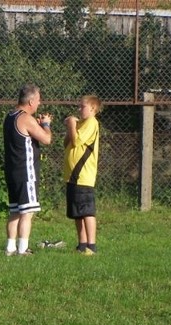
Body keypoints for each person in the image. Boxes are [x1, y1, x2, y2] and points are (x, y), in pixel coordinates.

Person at [3, 83, 53, 256]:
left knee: (15, 211)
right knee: (27, 212)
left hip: (12, 171)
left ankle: (10, 247)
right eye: (38, 100)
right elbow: (46, 139)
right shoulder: (26, 118)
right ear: (31, 101)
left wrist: (36, 125)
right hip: (26, 171)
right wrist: (45, 124)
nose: (40, 103)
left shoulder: (10, 116)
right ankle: (23, 249)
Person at [63, 95, 101, 255]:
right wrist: (71, 126)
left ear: (92, 109)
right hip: (72, 177)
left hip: (83, 176)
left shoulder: (92, 123)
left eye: (82, 107)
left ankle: (91, 246)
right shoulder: (81, 124)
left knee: (86, 211)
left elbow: (77, 142)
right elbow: (67, 142)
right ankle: (82, 243)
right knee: (77, 213)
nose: (79, 110)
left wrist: (72, 124)